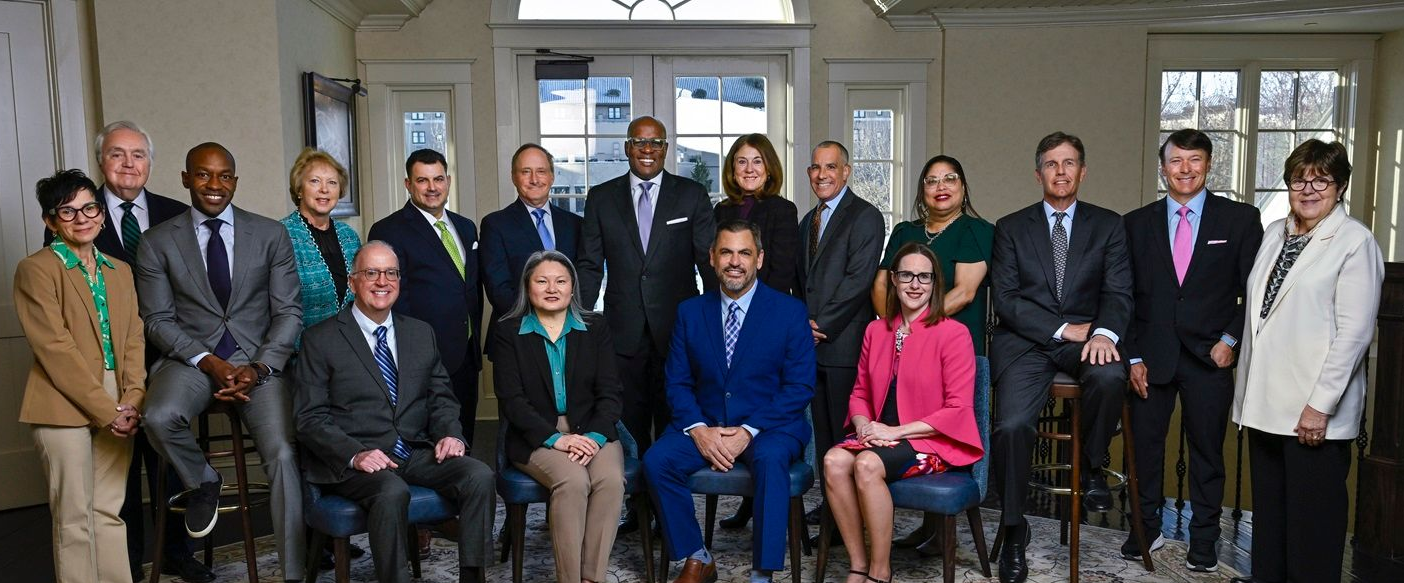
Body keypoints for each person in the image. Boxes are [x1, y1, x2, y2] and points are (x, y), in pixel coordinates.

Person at [135, 143, 305, 581]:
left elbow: (288, 313)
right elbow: (157, 320)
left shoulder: (269, 235)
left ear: (235, 180)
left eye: (224, 175)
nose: (215, 184)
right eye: (204, 175)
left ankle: (292, 572)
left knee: (284, 455)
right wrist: (207, 360)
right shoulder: (157, 242)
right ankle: (204, 480)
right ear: (185, 178)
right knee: (157, 415)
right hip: (191, 361)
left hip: (257, 364)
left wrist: (261, 366)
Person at [52, 121, 207, 583]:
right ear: (101, 161)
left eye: (138, 155)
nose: (128, 164)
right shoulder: (76, 215)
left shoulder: (176, 213)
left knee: (169, 458)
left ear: (150, 163)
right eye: (117, 154)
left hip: (169, 356)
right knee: (119, 465)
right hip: (106, 361)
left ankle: (178, 553)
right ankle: (131, 558)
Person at [293, 242, 496, 583]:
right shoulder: (320, 339)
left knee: (479, 475)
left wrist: (450, 433)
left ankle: (473, 578)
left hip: (413, 451)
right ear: (353, 281)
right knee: (391, 491)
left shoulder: (419, 333)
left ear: (400, 281)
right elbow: (309, 418)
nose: (381, 281)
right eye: (371, 273)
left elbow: (441, 397)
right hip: (357, 461)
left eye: (390, 273)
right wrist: (355, 454)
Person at [1232, 139, 1383, 583]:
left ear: (1340, 187)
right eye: (1300, 178)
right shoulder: (1275, 231)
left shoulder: (1355, 242)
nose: (1310, 188)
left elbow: (1353, 335)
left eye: (1322, 179)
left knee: (1311, 535)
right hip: (1265, 408)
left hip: (1311, 413)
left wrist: (1320, 406)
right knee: (1272, 529)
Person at [988, 132, 1132, 583]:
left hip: (1088, 339)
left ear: (1082, 171)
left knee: (1109, 378)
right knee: (1011, 425)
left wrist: (1105, 333)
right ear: (1038, 174)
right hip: (1026, 342)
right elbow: (1007, 300)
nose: (1061, 171)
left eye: (1069, 163)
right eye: (1052, 164)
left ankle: (1091, 466)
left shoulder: (1109, 225)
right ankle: (1014, 529)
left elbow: (1119, 291)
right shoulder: (1011, 227)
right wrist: (1059, 328)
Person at [643, 220, 815, 583]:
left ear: (760, 259)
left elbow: (799, 387)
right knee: (657, 460)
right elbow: (676, 382)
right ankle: (697, 556)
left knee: (769, 458)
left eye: (744, 253)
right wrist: (699, 429)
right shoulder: (690, 312)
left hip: (770, 425)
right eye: (726, 252)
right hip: (705, 423)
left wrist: (750, 431)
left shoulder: (789, 311)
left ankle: (761, 572)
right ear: (712, 257)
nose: (735, 261)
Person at [1121, 129, 1262, 571]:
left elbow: (1254, 292)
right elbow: (1122, 295)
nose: (1185, 168)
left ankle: (1205, 539)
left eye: (1194, 160)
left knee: (1206, 452)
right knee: (1145, 449)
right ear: (1163, 167)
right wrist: (1133, 357)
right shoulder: (1136, 223)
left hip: (1210, 356)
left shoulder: (1239, 220)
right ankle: (1145, 528)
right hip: (1151, 355)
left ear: (1208, 165)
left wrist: (1231, 340)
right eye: (1176, 160)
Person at [576, 116, 715, 531]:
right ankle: (637, 512)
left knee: (676, 426)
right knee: (632, 428)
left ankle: (669, 516)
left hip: (678, 333)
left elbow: (709, 266)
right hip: (622, 333)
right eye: (639, 142)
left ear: (666, 148)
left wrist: (715, 324)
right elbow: (588, 265)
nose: (648, 150)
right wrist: (578, 323)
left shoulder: (690, 195)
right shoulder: (601, 198)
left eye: (656, 143)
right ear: (627, 147)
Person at [824, 243, 983, 583]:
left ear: (934, 283)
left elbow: (957, 410)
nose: (915, 284)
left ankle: (881, 571)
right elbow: (860, 393)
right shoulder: (876, 331)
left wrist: (894, 432)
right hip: (881, 435)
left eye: (924, 276)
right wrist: (863, 424)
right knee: (833, 461)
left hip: (932, 441)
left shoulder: (954, 334)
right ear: (893, 280)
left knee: (866, 464)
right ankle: (858, 564)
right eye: (907, 275)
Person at [17, 169, 145, 583]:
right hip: (62, 402)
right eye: (67, 211)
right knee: (74, 517)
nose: (81, 218)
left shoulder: (120, 271)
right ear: (50, 221)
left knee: (108, 511)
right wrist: (108, 409)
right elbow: (56, 350)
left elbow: (132, 341)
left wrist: (133, 398)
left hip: (119, 399)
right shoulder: (36, 270)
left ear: (102, 214)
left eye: (89, 207)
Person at [870, 154, 993, 549]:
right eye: (932, 180)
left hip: (950, 343)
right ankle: (926, 528)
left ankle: (941, 529)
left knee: (939, 423)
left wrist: (916, 326)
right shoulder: (905, 229)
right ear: (922, 190)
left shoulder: (976, 230)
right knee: (904, 417)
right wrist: (890, 325)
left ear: (963, 188)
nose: (941, 186)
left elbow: (965, 291)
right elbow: (881, 284)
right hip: (899, 340)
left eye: (950, 179)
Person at [492, 250, 625, 583]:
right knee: (574, 481)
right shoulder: (508, 332)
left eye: (561, 281)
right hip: (537, 433)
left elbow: (610, 394)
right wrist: (559, 439)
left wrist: (593, 440)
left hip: (593, 427)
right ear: (528, 286)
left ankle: (592, 577)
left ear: (572, 287)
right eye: (542, 281)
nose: (552, 288)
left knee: (610, 480)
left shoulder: (596, 327)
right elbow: (513, 402)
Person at [368, 148, 484, 447]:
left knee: (463, 435)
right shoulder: (388, 230)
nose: (432, 187)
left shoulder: (465, 226)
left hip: (466, 352)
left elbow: (469, 288)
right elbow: (391, 297)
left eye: (439, 179)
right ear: (408, 184)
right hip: (422, 356)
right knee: (430, 441)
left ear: (448, 181)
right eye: (422, 180)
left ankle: (466, 490)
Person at [798, 140, 885, 521]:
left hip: (845, 345)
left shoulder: (865, 216)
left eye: (830, 167)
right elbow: (803, 283)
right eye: (816, 168)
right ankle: (833, 505)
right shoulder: (808, 220)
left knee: (846, 434)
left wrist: (822, 325)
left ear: (846, 171)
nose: (822, 175)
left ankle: (851, 512)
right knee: (823, 431)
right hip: (812, 346)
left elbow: (858, 280)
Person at [480, 143, 582, 361]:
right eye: (526, 172)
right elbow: (498, 289)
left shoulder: (574, 224)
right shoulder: (495, 224)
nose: (534, 179)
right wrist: (539, 326)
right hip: (517, 337)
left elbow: (582, 278)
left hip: (570, 336)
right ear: (513, 177)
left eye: (541, 171)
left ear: (552, 177)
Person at [281, 148, 362, 333]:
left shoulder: (349, 236)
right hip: (302, 351)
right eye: (315, 181)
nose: (324, 189)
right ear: (299, 189)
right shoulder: (281, 234)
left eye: (332, 183)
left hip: (350, 347)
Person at [714, 133, 799, 295]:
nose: (749, 169)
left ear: (769, 169)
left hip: (767, 305)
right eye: (742, 162)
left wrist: (751, 307)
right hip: (724, 304)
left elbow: (782, 273)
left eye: (757, 161)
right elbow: (714, 265)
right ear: (733, 169)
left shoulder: (783, 210)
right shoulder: (720, 210)